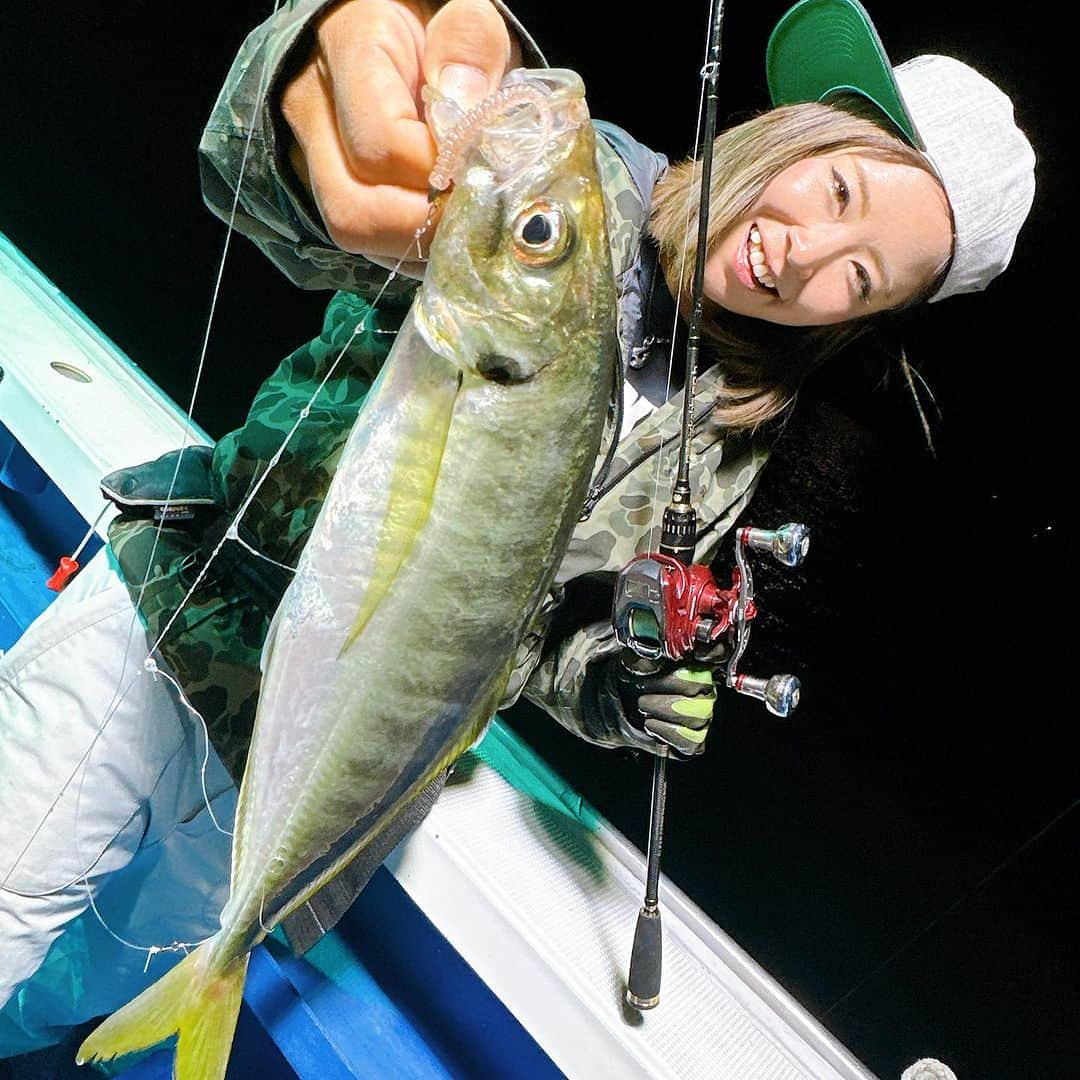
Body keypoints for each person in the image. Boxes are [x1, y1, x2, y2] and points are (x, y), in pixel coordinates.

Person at [0, 0, 1034, 1060]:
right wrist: (308, 69)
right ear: (795, 136)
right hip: (188, 607)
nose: (803, 255)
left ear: (855, 321)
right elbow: (271, 185)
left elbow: (537, 635)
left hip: (351, 766)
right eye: (836, 190)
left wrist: (622, 690)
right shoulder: (568, 198)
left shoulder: (724, 450)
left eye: (857, 277)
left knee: (91, 978)